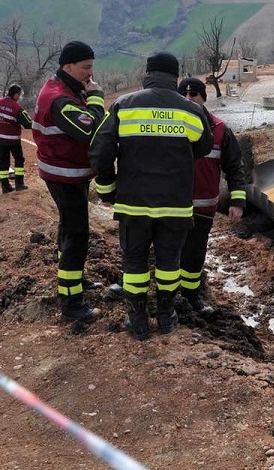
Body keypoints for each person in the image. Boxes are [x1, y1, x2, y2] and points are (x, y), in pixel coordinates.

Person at [89, 52, 212, 340]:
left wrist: (107, 188)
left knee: (134, 262)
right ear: (176, 77)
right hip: (175, 205)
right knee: (169, 263)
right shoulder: (191, 111)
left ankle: (138, 322)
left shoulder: (124, 105)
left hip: (134, 203)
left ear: (147, 74)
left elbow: (100, 150)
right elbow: (204, 147)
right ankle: (166, 317)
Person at [32, 40, 106, 324]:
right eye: (86, 67)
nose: (90, 73)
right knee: (77, 235)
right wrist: (96, 97)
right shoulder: (59, 99)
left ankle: (74, 278)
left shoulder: (68, 88)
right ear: (68, 66)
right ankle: (72, 301)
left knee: (69, 227)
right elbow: (92, 129)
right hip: (64, 174)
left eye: (91, 67)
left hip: (68, 171)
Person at [175, 77, 251, 312]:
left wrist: (237, 201)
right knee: (169, 252)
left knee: (195, 254)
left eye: (194, 94)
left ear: (203, 98)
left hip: (203, 207)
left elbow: (234, 167)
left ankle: (192, 297)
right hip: (172, 206)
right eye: (184, 94)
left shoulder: (220, 129)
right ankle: (168, 298)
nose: (188, 99)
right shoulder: (171, 125)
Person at [0, 84, 32, 194]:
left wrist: (0, 122)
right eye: (19, 95)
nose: (19, 97)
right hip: (12, 139)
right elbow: (28, 123)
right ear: (16, 94)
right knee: (19, 160)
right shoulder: (16, 107)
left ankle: (5, 186)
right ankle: (19, 184)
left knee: (3, 161)